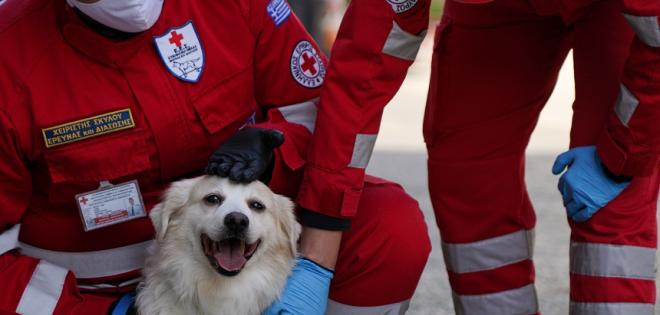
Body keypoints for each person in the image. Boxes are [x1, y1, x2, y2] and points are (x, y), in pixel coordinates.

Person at [0, 0, 431, 314]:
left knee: (388, 227)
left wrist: (273, 146)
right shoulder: (10, 54)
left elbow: (318, 111)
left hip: (244, 261)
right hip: (94, 294)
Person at [423, 0, 659, 314]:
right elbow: (367, 61)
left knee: (613, 203)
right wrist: (334, 204)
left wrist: (623, 156)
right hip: (498, 9)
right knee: (468, 178)